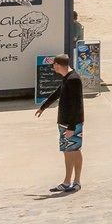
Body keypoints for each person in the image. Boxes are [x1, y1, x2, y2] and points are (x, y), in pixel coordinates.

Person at [35, 54, 85, 194]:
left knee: (75, 150)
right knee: (67, 151)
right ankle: (67, 181)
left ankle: (76, 182)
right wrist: (43, 106)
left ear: (58, 65)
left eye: (54, 65)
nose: (53, 67)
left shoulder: (73, 79)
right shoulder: (67, 78)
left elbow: (77, 105)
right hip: (64, 122)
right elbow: (58, 92)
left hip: (72, 123)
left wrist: (71, 127)